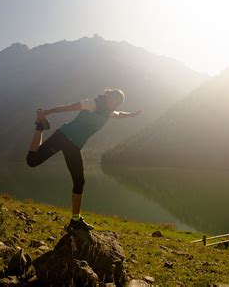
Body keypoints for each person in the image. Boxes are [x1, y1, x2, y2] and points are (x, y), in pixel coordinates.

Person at [26, 88, 142, 231]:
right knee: (32, 161)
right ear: (108, 96)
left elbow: (118, 115)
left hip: (74, 147)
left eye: (118, 103)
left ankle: (75, 220)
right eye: (114, 100)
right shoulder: (92, 103)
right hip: (62, 137)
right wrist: (46, 113)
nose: (115, 104)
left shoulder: (108, 112)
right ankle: (40, 126)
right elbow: (67, 107)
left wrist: (131, 115)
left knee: (79, 182)